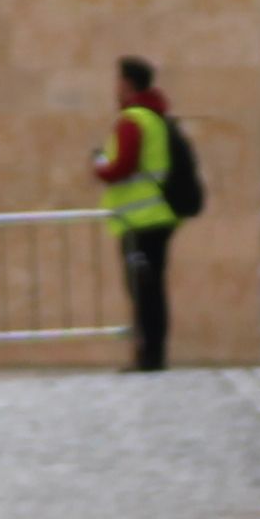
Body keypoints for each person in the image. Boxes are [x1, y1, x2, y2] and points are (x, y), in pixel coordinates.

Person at [93, 57, 182, 373]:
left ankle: (149, 356)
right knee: (153, 289)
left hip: (140, 219)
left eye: (118, 81)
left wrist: (100, 165)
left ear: (127, 84)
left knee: (143, 291)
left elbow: (122, 166)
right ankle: (154, 353)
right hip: (157, 216)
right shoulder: (155, 117)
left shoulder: (132, 119)